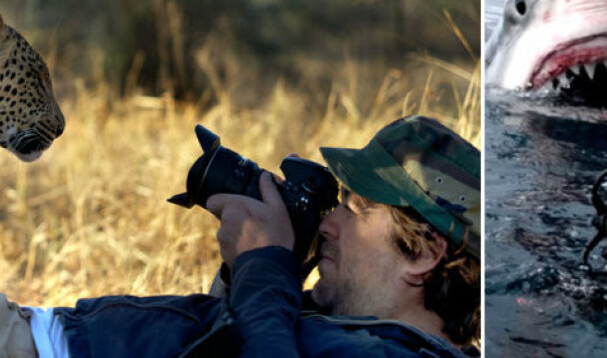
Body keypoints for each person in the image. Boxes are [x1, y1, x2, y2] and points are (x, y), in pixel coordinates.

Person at [1, 115, 481, 357]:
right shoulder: (361, 327)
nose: (330, 223)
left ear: (421, 253)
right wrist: (253, 272)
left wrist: (265, 267)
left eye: (357, 209)